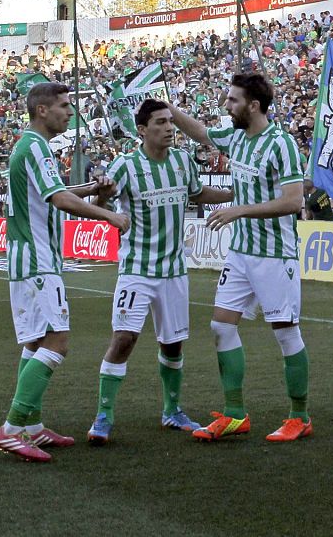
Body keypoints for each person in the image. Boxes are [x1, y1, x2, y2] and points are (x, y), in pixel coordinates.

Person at [170, 72, 313, 443]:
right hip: (241, 254)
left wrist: (239, 210)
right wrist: (169, 110)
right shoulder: (235, 137)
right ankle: (235, 413)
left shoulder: (280, 143)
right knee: (220, 326)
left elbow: (294, 201)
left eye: (233, 100)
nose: (226, 105)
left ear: (253, 105)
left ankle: (300, 416)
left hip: (274, 255)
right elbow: (202, 133)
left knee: (286, 333)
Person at [0, 81, 125, 463]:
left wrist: (93, 188)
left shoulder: (30, 146)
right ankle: (12, 428)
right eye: (65, 106)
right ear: (42, 111)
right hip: (37, 260)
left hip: (31, 258)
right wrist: (110, 216)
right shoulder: (35, 146)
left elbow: (56, 193)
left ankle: (31, 427)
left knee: (35, 342)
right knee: (57, 341)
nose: (71, 112)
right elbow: (61, 199)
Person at [88, 99, 233, 444]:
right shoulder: (125, 166)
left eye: (171, 122)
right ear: (142, 130)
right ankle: (104, 415)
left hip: (174, 270)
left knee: (173, 345)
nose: (169, 128)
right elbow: (98, 206)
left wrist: (233, 192)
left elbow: (198, 194)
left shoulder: (183, 161)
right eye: (160, 123)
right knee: (123, 340)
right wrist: (105, 200)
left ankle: (172, 411)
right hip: (137, 269)